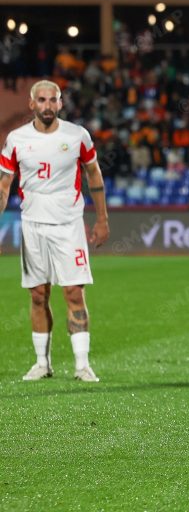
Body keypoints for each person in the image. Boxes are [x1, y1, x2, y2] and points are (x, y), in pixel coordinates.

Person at [0, 81, 109, 382]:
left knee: (74, 292)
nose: (47, 105)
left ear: (60, 103)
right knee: (38, 295)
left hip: (68, 224)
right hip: (32, 224)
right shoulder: (16, 139)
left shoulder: (77, 136)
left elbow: (94, 174)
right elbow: (4, 185)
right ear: (31, 104)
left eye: (53, 100)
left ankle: (82, 365)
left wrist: (102, 219)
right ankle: (42, 363)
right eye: (41, 100)